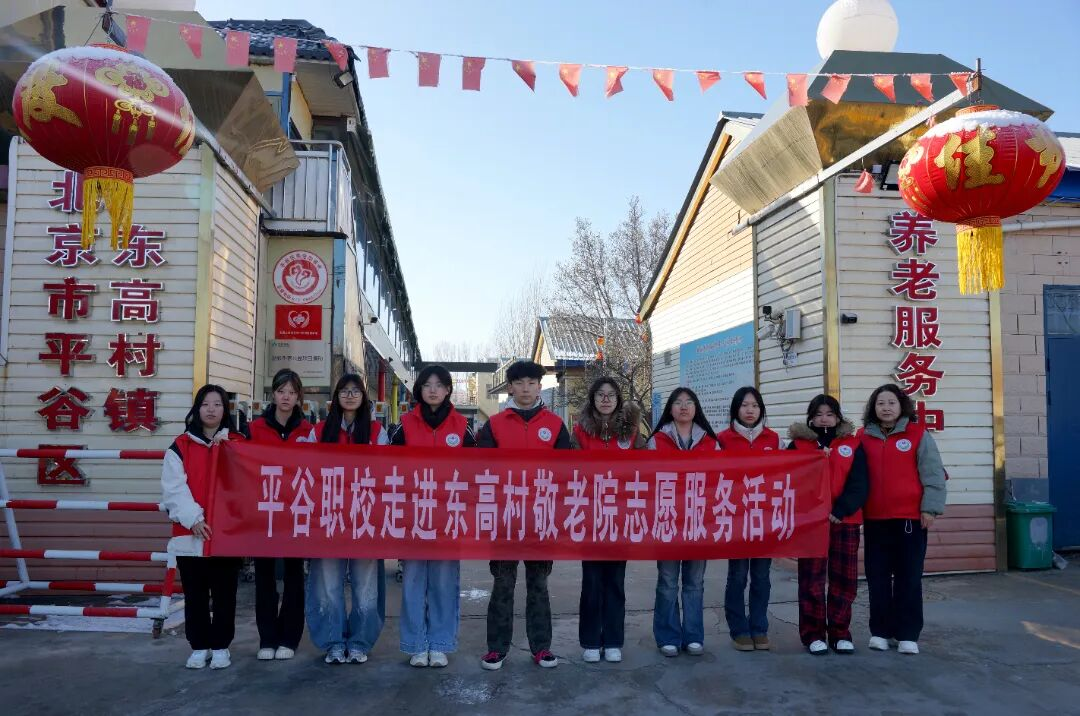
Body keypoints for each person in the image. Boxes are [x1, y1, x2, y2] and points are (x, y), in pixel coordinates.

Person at [476, 360, 570, 671]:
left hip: (542, 517)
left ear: (539, 387)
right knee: (503, 584)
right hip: (505, 518)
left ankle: (541, 648)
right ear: (510, 387)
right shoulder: (494, 425)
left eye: (531, 383)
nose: (526, 388)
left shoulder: (555, 425)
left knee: (539, 584)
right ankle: (496, 649)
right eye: (519, 383)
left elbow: (567, 472)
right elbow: (482, 471)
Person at [389, 366, 474, 668]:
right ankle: (415, 645)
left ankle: (439, 644)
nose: (434, 390)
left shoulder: (462, 426)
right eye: (427, 385)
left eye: (439, 385)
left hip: (448, 517)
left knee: (443, 582)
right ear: (420, 390)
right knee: (413, 582)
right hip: (414, 516)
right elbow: (387, 467)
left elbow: (477, 470)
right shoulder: (404, 425)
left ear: (448, 389)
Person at [306, 373, 388, 665]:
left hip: (365, 519)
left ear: (364, 397)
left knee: (365, 586)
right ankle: (333, 642)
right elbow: (302, 469)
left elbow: (385, 473)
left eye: (356, 391)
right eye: (344, 390)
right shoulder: (318, 431)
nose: (350, 395)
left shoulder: (377, 431)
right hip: (328, 519)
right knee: (328, 585)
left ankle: (359, 642)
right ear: (336, 396)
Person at [161, 385, 244, 670]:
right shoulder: (180, 446)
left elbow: (246, 486)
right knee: (195, 595)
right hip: (190, 534)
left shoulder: (237, 444)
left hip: (226, 536)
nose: (211, 409)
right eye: (205, 404)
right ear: (197, 409)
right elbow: (174, 488)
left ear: (225, 409)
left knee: (225, 595)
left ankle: (221, 646)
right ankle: (198, 646)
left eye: (217, 404)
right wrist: (194, 519)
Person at [860, 384, 946, 656]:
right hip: (875, 519)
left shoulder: (918, 434)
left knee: (908, 577)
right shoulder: (862, 437)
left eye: (891, 403)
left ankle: (907, 634)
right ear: (873, 408)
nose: (886, 408)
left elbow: (933, 473)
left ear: (902, 406)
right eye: (880, 403)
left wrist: (930, 509)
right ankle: (880, 632)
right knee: (877, 577)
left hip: (910, 519)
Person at [787, 394, 869, 655]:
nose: (824, 419)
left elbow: (860, 482)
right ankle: (812, 634)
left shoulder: (852, 444)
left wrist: (841, 509)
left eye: (830, 414)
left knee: (844, 578)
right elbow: (789, 480)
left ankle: (840, 632)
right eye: (819, 414)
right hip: (811, 523)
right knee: (811, 579)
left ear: (838, 417)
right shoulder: (798, 445)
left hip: (844, 520)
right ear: (811, 418)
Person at [571, 377, 645, 665]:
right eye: (600, 394)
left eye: (611, 395)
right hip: (589, 517)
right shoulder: (580, 431)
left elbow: (647, 468)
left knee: (615, 581)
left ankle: (613, 640)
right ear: (592, 399)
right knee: (591, 581)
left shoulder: (632, 432)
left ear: (618, 399)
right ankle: (591, 640)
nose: (605, 399)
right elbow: (569, 470)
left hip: (620, 517)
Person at [246, 368, 314, 661]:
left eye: (292, 392)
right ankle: (267, 638)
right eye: (281, 391)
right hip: (264, 513)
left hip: (296, 512)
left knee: (294, 576)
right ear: (272, 394)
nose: (286, 397)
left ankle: (289, 638)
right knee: (264, 577)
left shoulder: (309, 431)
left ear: (299, 397)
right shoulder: (254, 429)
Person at [646, 387, 719, 657]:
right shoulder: (657, 440)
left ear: (696, 407)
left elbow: (721, 479)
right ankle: (667, 636)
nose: (684, 406)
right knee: (667, 580)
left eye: (689, 402)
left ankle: (693, 636)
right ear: (671, 409)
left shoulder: (710, 441)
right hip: (667, 519)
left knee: (695, 581)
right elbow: (648, 479)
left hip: (699, 520)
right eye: (678, 402)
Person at [718, 386, 781, 652]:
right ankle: (739, 629)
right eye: (744, 405)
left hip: (764, 518)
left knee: (762, 576)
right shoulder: (723, 439)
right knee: (738, 575)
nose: (750, 410)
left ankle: (759, 627)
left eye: (755, 405)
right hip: (736, 518)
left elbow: (786, 472)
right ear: (736, 409)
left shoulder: (773, 439)